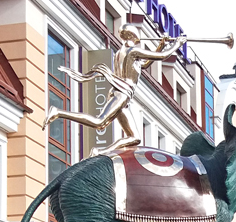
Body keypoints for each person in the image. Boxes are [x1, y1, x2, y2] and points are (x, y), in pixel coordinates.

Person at [44, 24, 190, 155]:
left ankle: (100, 151)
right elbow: (162, 57)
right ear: (132, 36)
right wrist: (177, 44)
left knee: (134, 138)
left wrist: (161, 45)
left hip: (122, 95)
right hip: (122, 93)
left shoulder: (122, 52)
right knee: (100, 122)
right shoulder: (133, 51)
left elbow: (144, 65)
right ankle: (58, 112)